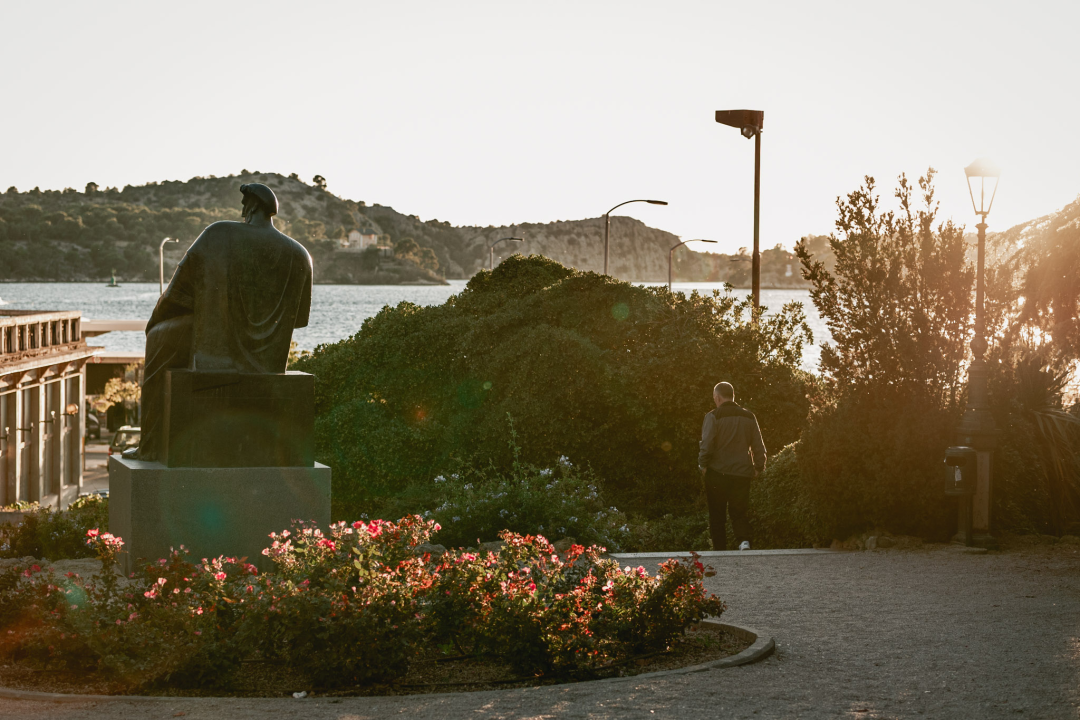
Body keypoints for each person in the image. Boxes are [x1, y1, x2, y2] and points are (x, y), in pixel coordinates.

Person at [126, 183, 312, 461]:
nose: (241, 211)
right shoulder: (300, 254)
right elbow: (299, 320)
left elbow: (177, 293)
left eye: (244, 205)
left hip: (216, 355)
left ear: (253, 207)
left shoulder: (219, 234)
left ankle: (150, 446)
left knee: (157, 339)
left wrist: (155, 322)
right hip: (269, 361)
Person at [698, 381, 767, 551]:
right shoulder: (749, 416)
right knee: (739, 510)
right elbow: (759, 446)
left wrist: (703, 465)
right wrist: (759, 466)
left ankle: (720, 548)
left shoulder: (713, 416)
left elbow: (707, 445)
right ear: (732, 396)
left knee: (717, 514)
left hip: (717, 472)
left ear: (717, 397)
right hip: (742, 473)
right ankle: (744, 541)